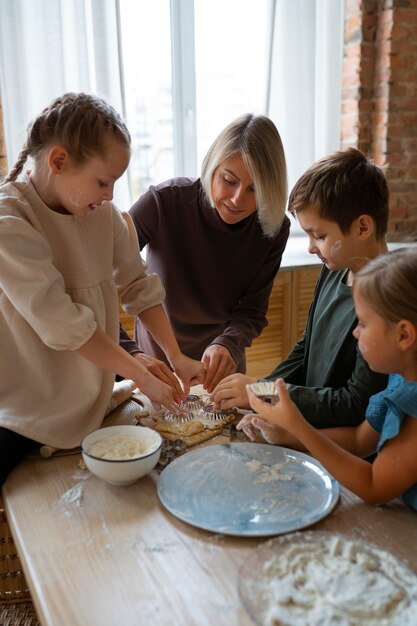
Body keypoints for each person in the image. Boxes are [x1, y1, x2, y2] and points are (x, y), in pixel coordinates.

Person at [0, 92, 204, 485]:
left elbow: (138, 287)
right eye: (103, 182)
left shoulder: (105, 217)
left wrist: (176, 357)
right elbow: (64, 326)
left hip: (92, 403)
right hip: (25, 409)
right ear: (58, 161)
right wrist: (141, 376)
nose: (110, 195)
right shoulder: (10, 220)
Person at [213, 147, 389, 432]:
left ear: (363, 227)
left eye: (319, 235)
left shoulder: (387, 301)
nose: (310, 247)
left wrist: (262, 392)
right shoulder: (334, 270)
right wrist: (263, 394)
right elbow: (305, 349)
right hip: (305, 426)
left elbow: (355, 403)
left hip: (336, 447)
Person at [119, 113, 290, 393]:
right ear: (212, 166)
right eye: (229, 180)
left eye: (254, 189)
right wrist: (129, 352)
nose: (237, 199)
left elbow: (252, 309)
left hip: (219, 369)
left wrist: (228, 343)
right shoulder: (163, 202)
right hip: (156, 364)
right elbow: (99, 273)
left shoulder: (273, 228)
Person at [247, 247, 417, 509]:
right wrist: (285, 434)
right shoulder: (398, 378)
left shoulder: (412, 405)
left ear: (404, 336)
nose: (355, 333)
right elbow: (359, 441)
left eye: (362, 323)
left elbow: (374, 486)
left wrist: (298, 424)